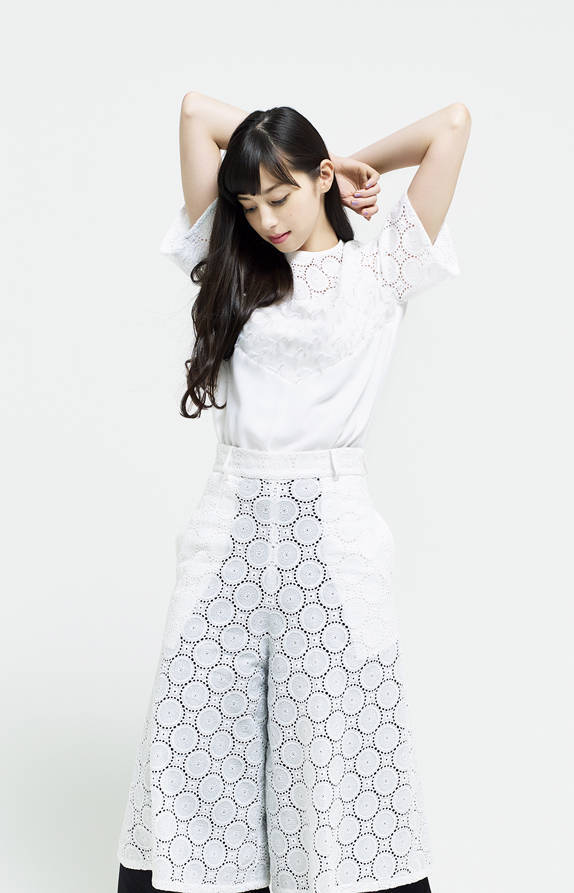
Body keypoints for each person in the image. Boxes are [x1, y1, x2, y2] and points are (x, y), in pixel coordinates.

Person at [116, 92, 471, 893]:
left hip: (331, 537)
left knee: (335, 763)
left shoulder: (381, 268)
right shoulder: (235, 264)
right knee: (193, 746)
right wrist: (288, 170)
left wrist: (353, 164)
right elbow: (195, 113)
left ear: (318, 179)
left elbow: (451, 125)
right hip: (230, 527)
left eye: (279, 196)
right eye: (250, 204)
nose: (266, 218)